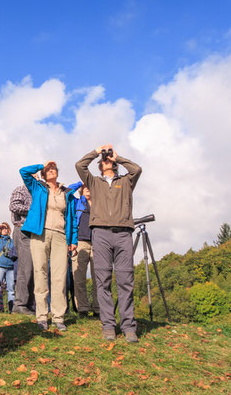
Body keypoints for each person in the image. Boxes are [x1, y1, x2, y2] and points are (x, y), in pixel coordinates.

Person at [76, 144, 142, 343]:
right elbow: (80, 165)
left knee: (125, 281)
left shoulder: (126, 181)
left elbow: (137, 169)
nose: (106, 161)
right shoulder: (94, 182)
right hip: (101, 233)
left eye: (108, 159)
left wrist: (118, 157)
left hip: (123, 233)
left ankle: (129, 327)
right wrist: (97, 151)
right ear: (99, 165)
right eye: (103, 160)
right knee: (102, 281)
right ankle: (108, 326)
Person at [19, 161, 77, 332]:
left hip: (60, 236)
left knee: (60, 276)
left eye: (53, 169)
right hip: (40, 234)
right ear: (43, 174)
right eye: (48, 169)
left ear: (57, 173)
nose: (51, 170)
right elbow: (23, 171)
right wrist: (41, 165)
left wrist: (72, 240)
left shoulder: (67, 193)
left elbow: (72, 218)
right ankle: (42, 316)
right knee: (40, 273)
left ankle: (59, 317)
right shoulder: (37, 187)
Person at [67, 182, 99, 318]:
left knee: (99, 278)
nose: (87, 190)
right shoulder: (76, 202)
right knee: (79, 278)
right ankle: (82, 309)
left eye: (90, 187)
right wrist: (81, 182)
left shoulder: (99, 203)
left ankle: (98, 309)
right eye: (85, 188)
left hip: (98, 243)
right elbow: (67, 192)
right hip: (80, 242)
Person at [9, 184, 35, 316]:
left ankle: (29, 304)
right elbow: (14, 206)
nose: (37, 179)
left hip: (36, 232)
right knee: (26, 268)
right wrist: (34, 209)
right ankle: (19, 304)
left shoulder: (37, 192)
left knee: (34, 269)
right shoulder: (21, 189)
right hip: (23, 229)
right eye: (33, 176)